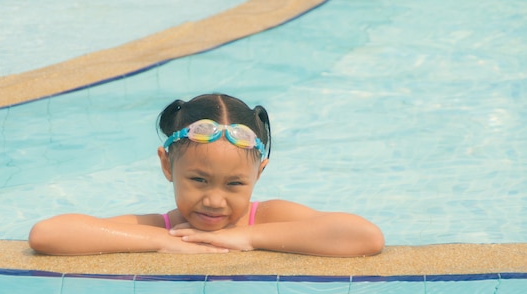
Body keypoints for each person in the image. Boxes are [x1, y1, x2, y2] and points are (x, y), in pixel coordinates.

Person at [28, 93, 384, 257]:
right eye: (199, 180)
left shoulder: (269, 218)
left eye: (235, 184)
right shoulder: (163, 229)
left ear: (258, 174)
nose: (214, 200)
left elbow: (364, 237)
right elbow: (48, 234)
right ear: (167, 166)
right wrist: (162, 242)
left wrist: (249, 238)